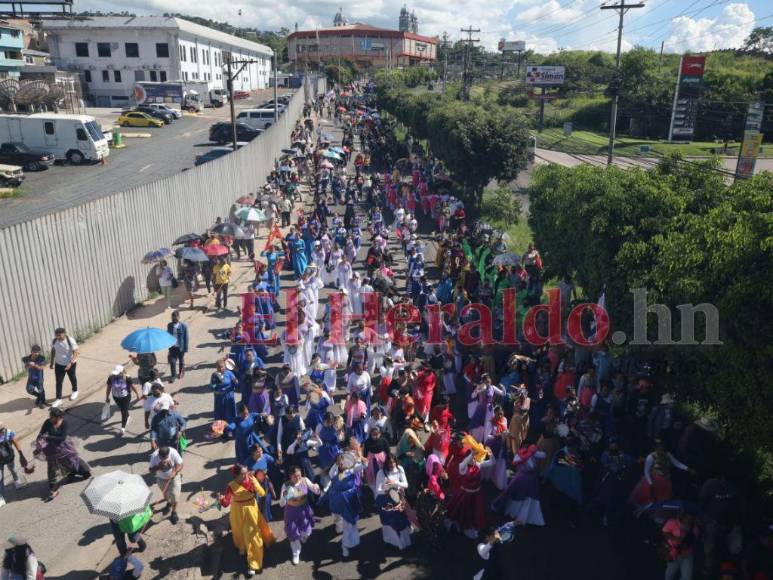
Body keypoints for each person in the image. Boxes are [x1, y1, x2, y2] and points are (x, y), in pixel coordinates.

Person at [219, 464, 275, 577]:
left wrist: (254, 481)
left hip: (250, 511)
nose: (246, 475)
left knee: (252, 536)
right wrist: (221, 499)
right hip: (237, 512)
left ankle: (253, 563)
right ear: (236, 475)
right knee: (239, 531)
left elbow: (262, 493)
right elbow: (226, 503)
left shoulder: (251, 480)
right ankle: (242, 547)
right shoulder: (231, 486)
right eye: (243, 473)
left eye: (246, 472)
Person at [36, 407, 91, 501]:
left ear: (58, 417)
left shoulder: (64, 423)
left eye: (52, 417)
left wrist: (48, 437)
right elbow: (41, 434)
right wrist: (39, 441)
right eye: (50, 416)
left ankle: (84, 471)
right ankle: (53, 490)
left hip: (64, 448)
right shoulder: (47, 422)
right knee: (52, 469)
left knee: (72, 460)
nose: (50, 418)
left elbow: (62, 438)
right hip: (51, 450)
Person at [328, 446, 368, 558]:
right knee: (347, 524)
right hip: (342, 501)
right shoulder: (334, 473)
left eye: (342, 461)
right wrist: (337, 462)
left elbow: (364, 465)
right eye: (339, 462)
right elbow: (332, 473)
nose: (341, 463)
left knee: (353, 523)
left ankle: (353, 542)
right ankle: (345, 546)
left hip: (352, 499)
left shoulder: (351, 470)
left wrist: (363, 460)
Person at [279, 466, 322, 565]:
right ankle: (296, 552)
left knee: (306, 532)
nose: (298, 478)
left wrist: (317, 488)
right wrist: (285, 496)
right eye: (295, 476)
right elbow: (281, 504)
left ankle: (303, 536)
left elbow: (316, 491)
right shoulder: (286, 486)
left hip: (304, 509)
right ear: (290, 476)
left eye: (299, 475)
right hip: (291, 511)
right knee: (293, 532)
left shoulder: (304, 480)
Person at [375, 453, 412, 550]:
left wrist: (395, 483)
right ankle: (394, 541)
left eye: (393, 462)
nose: (392, 465)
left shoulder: (400, 469)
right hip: (385, 500)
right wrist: (387, 491)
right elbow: (378, 490)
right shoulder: (380, 473)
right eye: (390, 463)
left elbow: (406, 484)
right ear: (386, 463)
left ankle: (404, 541)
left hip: (399, 499)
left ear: (396, 461)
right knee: (391, 522)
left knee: (402, 519)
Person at [149, 445, 183, 525]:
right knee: (165, 494)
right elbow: (150, 470)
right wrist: (158, 467)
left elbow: (181, 464)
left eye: (165, 458)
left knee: (175, 496)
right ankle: (169, 503)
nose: (164, 460)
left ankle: (174, 512)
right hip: (161, 479)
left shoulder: (173, 452)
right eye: (162, 458)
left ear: (168, 454)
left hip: (174, 478)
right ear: (159, 455)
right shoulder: (154, 456)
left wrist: (175, 472)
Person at [104, 365, 141, 437]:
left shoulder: (127, 377)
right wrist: (107, 397)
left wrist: (137, 394)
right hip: (116, 397)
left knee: (123, 411)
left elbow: (132, 386)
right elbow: (108, 388)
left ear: (121, 372)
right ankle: (128, 416)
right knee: (123, 409)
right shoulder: (111, 377)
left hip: (125, 397)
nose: (116, 374)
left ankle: (122, 428)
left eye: (117, 373)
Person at [662, 510, 699, 580]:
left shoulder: (694, 528)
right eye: (687, 517)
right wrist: (676, 538)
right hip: (674, 553)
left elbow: (695, 542)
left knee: (687, 578)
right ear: (683, 516)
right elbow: (664, 533)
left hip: (687, 555)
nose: (689, 520)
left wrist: (688, 547)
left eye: (691, 518)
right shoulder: (672, 522)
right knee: (669, 576)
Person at [49, 327, 79, 407]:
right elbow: (53, 350)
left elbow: (76, 352)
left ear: (64, 333)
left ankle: (75, 391)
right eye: (57, 335)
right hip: (59, 364)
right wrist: (52, 362)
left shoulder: (70, 340)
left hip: (70, 363)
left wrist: (70, 363)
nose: (58, 337)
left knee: (72, 377)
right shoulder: (54, 340)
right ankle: (58, 399)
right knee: (59, 382)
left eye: (59, 335)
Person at [0, 423, 28, 508]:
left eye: (1, 429)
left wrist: (21, 454)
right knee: (0, 478)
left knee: (12, 470)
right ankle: (1, 498)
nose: (1, 431)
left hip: (9, 457)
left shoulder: (8, 433)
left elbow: (16, 443)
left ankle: (16, 481)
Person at [167, 310, 189, 381]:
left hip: (180, 347)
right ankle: (173, 376)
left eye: (175, 318)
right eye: (173, 318)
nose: (174, 320)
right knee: (172, 362)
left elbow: (186, 338)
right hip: (172, 347)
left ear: (179, 317)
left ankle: (181, 373)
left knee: (181, 361)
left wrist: (185, 348)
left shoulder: (183, 326)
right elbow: (168, 336)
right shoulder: (169, 325)